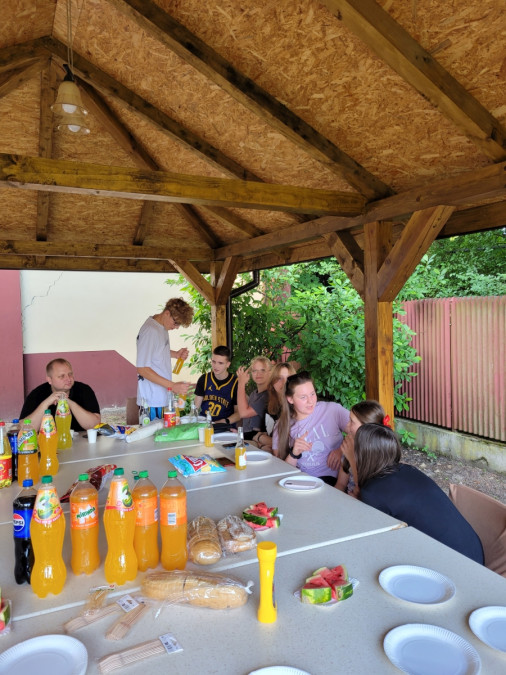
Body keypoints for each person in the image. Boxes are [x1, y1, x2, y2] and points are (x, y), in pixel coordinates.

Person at [355, 423, 484, 564]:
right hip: (474, 551)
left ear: (362, 454)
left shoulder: (372, 492)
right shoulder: (408, 469)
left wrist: (350, 462)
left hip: (455, 565)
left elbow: (373, 538)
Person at [272, 371, 349, 485]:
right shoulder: (282, 425)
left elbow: (362, 432)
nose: (310, 401)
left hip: (333, 481)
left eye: (312, 394)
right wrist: (294, 453)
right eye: (303, 397)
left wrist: (342, 450)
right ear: (290, 399)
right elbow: (282, 472)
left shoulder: (332, 410)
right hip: (300, 481)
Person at [136, 297, 194, 420]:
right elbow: (142, 369)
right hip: (151, 401)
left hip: (161, 398)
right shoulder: (150, 331)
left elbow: (156, 351)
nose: (176, 327)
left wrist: (176, 354)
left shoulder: (161, 327)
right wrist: (173, 386)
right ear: (167, 313)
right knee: (155, 432)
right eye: (176, 323)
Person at [20, 358, 101, 432]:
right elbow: (23, 430)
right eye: (62, 376)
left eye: (70, 374)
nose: (68, 379)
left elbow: (95, 425)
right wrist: (45, 403)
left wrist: (69, 402)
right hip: (48, 440)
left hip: (82, 441)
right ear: (50, 380)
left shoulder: (84, 390)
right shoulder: (37, 394)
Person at [329, 400, 387, 496]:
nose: (347, 425)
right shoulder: (350, 447)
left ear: (366, 428)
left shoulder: (379, 456)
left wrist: (352, 457)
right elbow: (341, 484)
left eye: (352, 422)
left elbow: (366, 492)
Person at [249, 362, 296, 451]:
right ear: (272, 383)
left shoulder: (296, 408)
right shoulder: (270, 405)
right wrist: (261, 440)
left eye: (288, 378)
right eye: (279, 378)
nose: (284, 383)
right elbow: (258, 434)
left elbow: (289, 445)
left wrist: (261, 439)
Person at [193, 346, 240, 425]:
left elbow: (239, 413)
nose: (216, 366)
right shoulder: (204, 379)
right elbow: (195, 409)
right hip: (205, 425)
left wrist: (224, 421)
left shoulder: (235, 382)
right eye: (213, 362)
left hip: (224, 427)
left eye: (220, 363)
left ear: (228, 364)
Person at [236, 357, 272, 441]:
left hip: (257, 439)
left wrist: (241, 383)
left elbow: (243, 413)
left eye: (263, 370)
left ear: (270, 373)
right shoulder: (254, 394)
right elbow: (246, 420)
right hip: (246, 436)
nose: (258, 374)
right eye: (255, 371)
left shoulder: (268, 395)